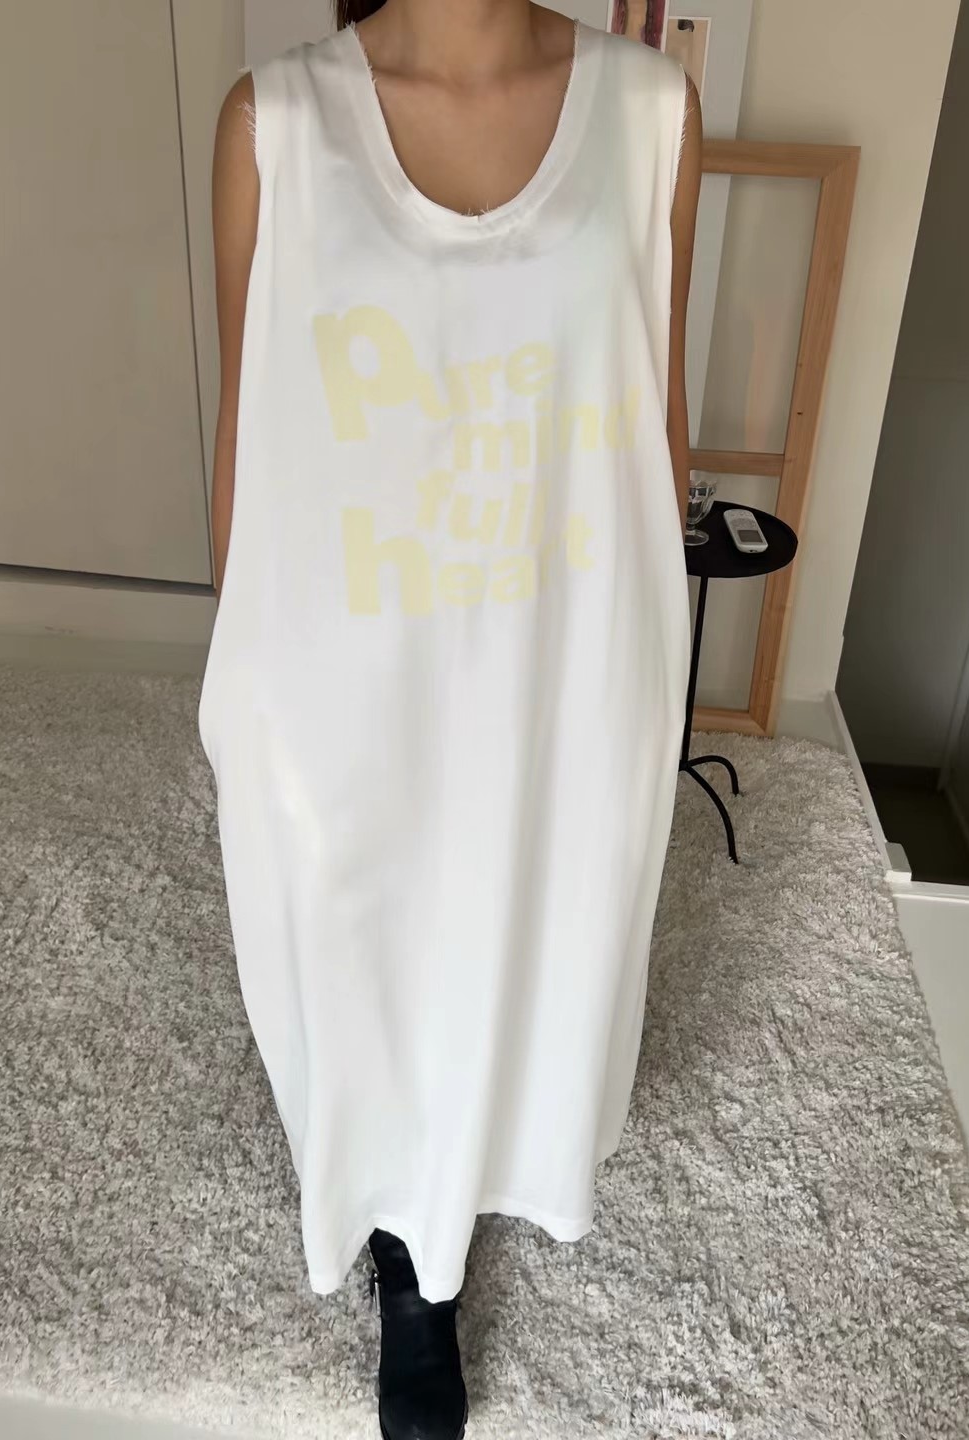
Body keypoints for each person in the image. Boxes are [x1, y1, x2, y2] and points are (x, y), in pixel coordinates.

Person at [204, 3, 702, 1437]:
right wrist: (242, 695)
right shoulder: (277, 126)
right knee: (363, 955)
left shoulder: (649, 112)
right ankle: (410, 1266)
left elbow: (653, 414)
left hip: (561, 651)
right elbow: (253, 433)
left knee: (529, 937)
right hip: (350, 662)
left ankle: (469, 1198)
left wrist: (645, 674)